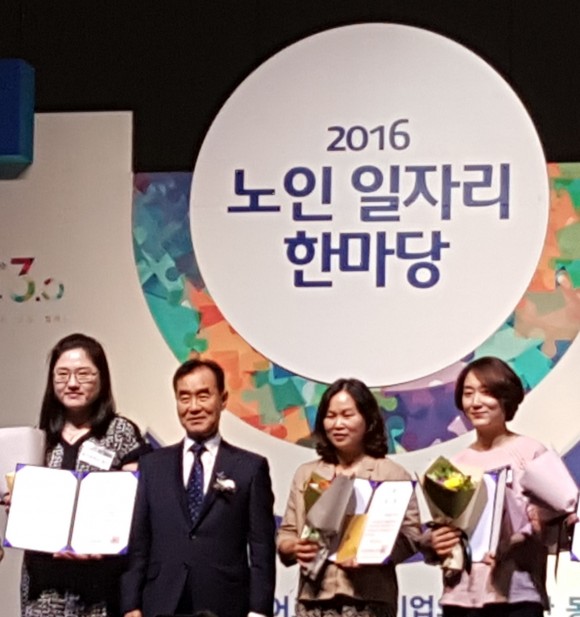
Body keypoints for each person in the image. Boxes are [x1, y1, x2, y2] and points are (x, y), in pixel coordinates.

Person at [121, 358, 276, 617]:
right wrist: (130, 605)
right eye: (184, 398)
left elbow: (262, 550)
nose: (194, 407)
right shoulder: (152, 465)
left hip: (224, 603)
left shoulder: (249, 468)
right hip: (160, 601)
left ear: (222, 399)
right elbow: (139, 541)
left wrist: (259, 610)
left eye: (203, 396)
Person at [430, 356, 576, 617]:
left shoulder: (531, 453)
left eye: (486, 392)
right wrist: (435, 542)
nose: (475, 402)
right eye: (468, 394)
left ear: (506, 397)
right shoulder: (454, 465)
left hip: (516, 593)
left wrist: (519, 538)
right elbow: (445, 529)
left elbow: (553, 524)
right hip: (461, 597)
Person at [21, 333, 150, 617]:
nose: (72, 383)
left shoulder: (121, 433)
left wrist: (104, 545)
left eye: (83, 374)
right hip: (44, 585)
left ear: (101, 378)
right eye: (62, 374)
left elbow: (136, 507)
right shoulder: (40, 436)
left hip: (99, 585)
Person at [277, 378, 422, 617]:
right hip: (313, 601)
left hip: (369, 601)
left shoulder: (391, 474)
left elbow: (412, 536)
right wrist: (293, 547)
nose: (338, 424)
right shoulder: (307, 474)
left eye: (347, 415)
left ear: (368, 419)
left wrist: (374, 553)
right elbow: (288, 532)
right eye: (330, 416)